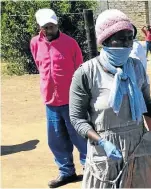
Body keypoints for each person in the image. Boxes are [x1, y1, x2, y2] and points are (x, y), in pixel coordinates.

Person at [69, 9, 151, 188]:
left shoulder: (137, 67)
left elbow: (147, 103)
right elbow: (77, 119)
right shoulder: (86, 73)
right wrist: (101, 141)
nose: (128, 44)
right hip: (106, 151)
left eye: (130, 38)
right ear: (105, 40)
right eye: (121, 39)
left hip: (139, 145)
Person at [30, 8, 87, 188]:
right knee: (56, 139)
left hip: (72, 100)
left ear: (57, 24)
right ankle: (66, 172)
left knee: (80, 136)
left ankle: (90, 169)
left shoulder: (70, 43)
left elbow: (80, 70)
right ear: (40, 27)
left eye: (52, 26)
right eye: (46, 27)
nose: (50, 29)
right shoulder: (35, 43)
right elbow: (39, 65)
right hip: (50, 101)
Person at [130, 24, 151, 143]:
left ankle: (148, 135)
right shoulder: (138, 45)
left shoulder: (133, 47)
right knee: (146, 107)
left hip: (137, 82)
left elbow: (132, 64)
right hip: (143, 81)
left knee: (140, 108)